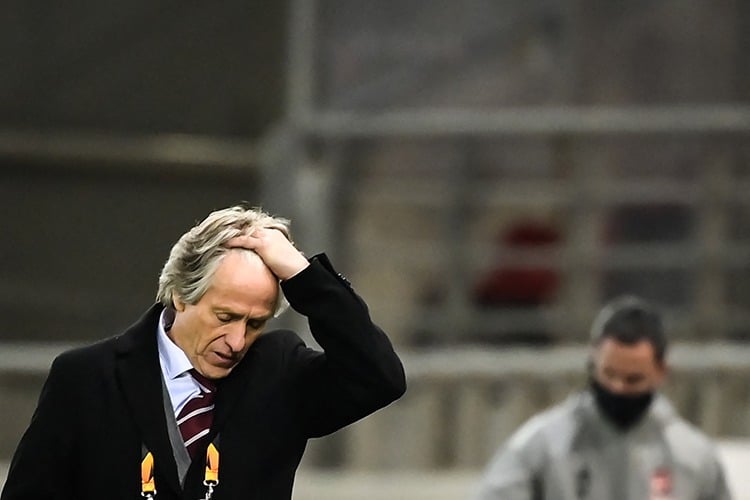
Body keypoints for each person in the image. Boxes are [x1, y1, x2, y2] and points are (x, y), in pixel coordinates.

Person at [1, 205, 406, 500]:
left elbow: (379, 377)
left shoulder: (280, 372)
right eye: (225, 317)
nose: (236, 341)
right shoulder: (86, 377)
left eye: (254, 323)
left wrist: (304, 276)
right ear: (180, 295)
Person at [474, 295, 731, 500]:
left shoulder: (693, 457)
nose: (618, 389)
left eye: (633, 379)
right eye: (609, 375)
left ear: (661, 372)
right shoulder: (542, 446)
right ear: (592, 361)